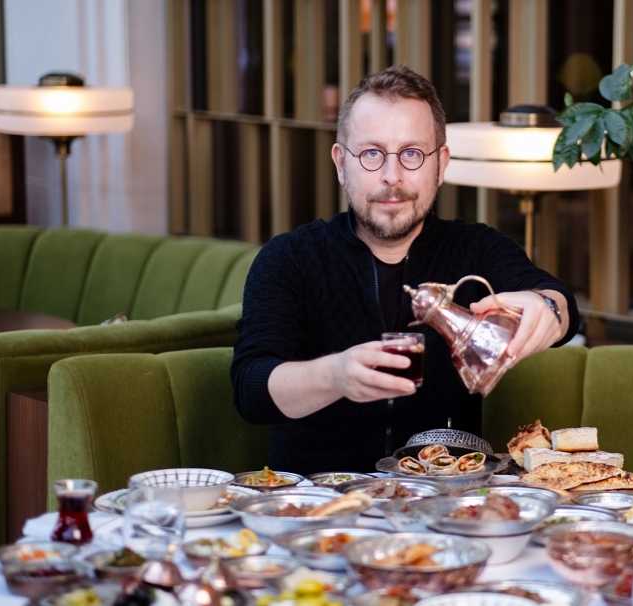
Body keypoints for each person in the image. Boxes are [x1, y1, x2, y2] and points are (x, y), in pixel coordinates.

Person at [231, 65, 580, 473]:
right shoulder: (288, 258)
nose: (391, 177)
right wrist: (336, 375)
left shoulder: (477, 249)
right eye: (372, 153)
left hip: (443, 507)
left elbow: (560, 304)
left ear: (441, 164)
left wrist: (548, 309)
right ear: (342, 163)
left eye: (412, 154)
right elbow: (252, 389)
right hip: (319, 512)